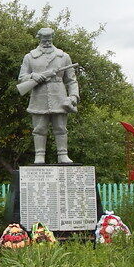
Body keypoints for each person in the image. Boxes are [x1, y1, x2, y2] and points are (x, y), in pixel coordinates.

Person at [17, 27, 79, 164]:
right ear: (39, 39)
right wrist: (34, 76)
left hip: (60, 97)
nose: (47, 42)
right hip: (39, 97)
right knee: (39, 129)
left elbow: (71, 80)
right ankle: (39, 155)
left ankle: (63, 155)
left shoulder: (63, 56)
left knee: (61, 128)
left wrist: (73, 96)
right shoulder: (29, 57)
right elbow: (22, 78)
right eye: (44, 40)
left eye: (49, 39)